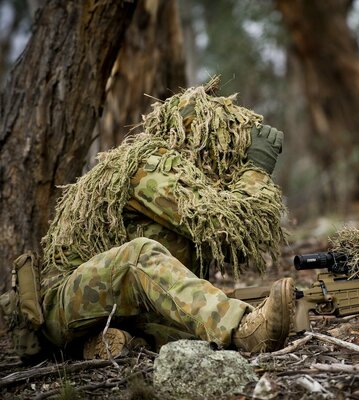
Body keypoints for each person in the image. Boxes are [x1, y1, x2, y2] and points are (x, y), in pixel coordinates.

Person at [39, 79, 295, 358]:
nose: (227, 155)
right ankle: (242, 331)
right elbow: (224, 227)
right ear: (197, 138)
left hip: (113, 310)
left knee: (194, 326)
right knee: (139, 255)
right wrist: (255, 169)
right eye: (223, 141)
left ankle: (115, 343)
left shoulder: (184, 177)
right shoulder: (145, 167)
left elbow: (231, 239)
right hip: (62, 306)